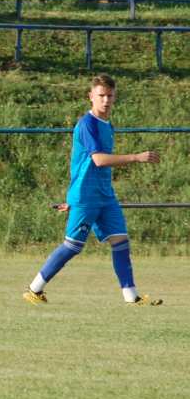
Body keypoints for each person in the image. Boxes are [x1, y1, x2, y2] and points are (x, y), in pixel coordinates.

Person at [23, 74, 162, 307]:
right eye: (101, 96)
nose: (106, 100)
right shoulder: (86, 124)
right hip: (86, 195)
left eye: (110, 96)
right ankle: (34, 289)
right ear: (91, 97)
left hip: (104, 195)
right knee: (72, 246)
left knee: (121, 241)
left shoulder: (108, 126)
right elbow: (97, 160)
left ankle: (132, 297)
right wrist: (136, 157)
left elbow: (82, 163)